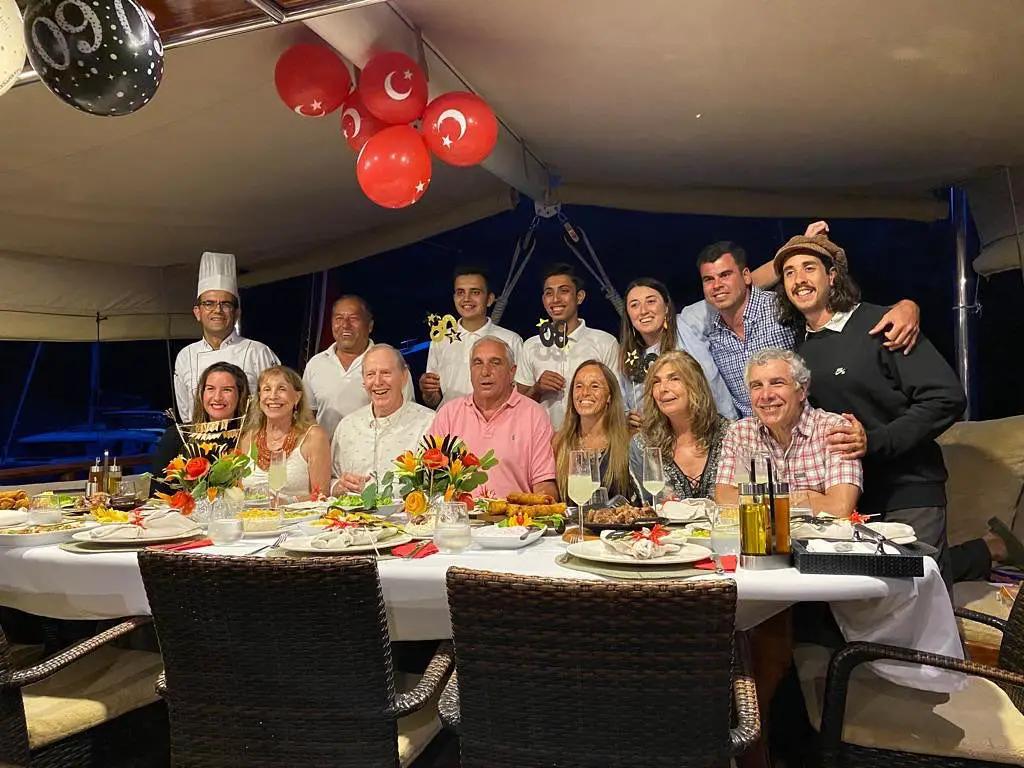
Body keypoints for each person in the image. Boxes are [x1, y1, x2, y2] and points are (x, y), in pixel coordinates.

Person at [774, 233, 966, 577]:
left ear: (832, 275)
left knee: (916, 593)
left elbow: (946, 397)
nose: (799, 279)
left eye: (809, 268)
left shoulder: (884, 325)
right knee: (864, 600)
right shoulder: (800, 350)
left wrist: (876, 440)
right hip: (852, 500)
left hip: (908, 490)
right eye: (789, 272)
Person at [715, 348, 862, 515]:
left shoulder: (834, 429)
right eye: (757, 386)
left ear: (802, 390)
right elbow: (724, 499)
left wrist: (754, 499)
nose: (766, 395)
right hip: (761, 531)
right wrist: (805, 498)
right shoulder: (740, 433)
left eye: (777, 383)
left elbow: (840, 508)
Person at [431, 336, 557, 499]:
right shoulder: (448, 414)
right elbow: (429, 478)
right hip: (458, 514)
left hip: (513, 514)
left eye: (495, 363)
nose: (485, 372)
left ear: (512, 372)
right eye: (478, 363)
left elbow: (544, 485)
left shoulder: (534, 415)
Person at [173, 252, 279, 422]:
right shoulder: (185, 356)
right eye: (209, 303)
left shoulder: (258, 352)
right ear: (197, 312)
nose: (217, 310)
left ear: (236, 313)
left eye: (226, 304)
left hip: (251, 437)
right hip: (201, 438)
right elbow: (187, 416)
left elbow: (279, 404)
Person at [619, 277, 737, 427]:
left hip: (721, 429)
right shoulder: (628, 357)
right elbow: (626, 407)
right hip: (666, 439)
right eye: (634, 305)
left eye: (651, 301)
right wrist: (629, 419)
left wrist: (755, 274)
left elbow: (733, 294)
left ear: (666, 307)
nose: (643, 311)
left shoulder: (687, 322)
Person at [517, 263, 619, 429]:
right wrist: (537, 389)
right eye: (549, 293)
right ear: (543, 300)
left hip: (593, 437)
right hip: (544, 439)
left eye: (563, 291)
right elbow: (518, 405)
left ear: (579, 297)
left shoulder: (605, 343)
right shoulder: (531, 346)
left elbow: (617, 399)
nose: (555, 299)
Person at [302, 295, 415, 439]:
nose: (345, 325)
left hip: (379, 448)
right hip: (327, 451)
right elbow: (307, 415)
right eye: (339, 318)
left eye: (354, 318)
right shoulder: (316, 364)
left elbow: (409, 412)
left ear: (370, 326)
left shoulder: (391, 362)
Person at [331, 344, 434, 496]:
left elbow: (437, 488)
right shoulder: (347, 426)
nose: (378, 382)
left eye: (386, 373)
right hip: (352, 511)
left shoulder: (429, 423)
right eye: (370, 374)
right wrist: (337, 487)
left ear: (404, 376)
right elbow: (331, 479)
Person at [630, 351, 731, 502]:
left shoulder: (730, 435)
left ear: (695, 385)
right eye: (656, 382)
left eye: (674, 379)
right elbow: (647, 508)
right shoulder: (642, 446)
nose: (663, 388)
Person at [419, 265, 524, 408]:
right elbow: (434, 400)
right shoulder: (441, 340)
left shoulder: (511, 340)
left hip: (497, 418)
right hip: (451, 419)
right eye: (460, 292)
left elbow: (519, 393)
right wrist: (428, 392)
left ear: (489, 299)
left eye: (475, 292)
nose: (466, 299)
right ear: (454, 298)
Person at [239, 366, 331, 501]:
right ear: (259, 397)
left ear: (297, 397)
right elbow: (237, 493)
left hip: (296, 514)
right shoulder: (247, 437)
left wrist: (287, 502)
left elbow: (322, 495)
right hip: (251, 513)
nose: (273, 396)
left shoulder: (314, 436)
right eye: (267, 389)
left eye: (281, 389)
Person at [151, 362, 250, 486]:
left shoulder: (251, 436)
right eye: (210, 389)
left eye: (227, 390)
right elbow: (158, 490)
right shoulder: (177, 435)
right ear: (201, 393)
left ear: (240, 395)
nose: (217, 397)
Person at [553, 360, 634, 503]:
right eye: (579, 386)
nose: (585, 393)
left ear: (609, 396)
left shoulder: (628, 441)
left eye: (594, 386)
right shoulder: (559, 442)